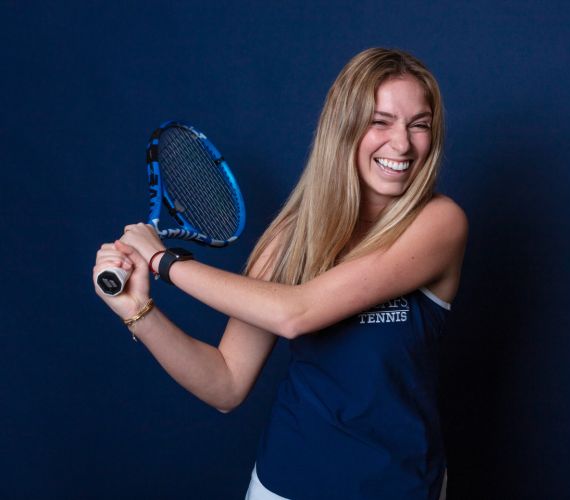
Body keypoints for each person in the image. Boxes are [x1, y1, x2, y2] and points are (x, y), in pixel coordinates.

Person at [93, 47, 467, 500]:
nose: (402, 144)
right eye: (380, 121)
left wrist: (163, 262)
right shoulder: (292, 236)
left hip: (403, 487)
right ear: (343, 127)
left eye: (419, 124)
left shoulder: (438, 223)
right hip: (286, 486)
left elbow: (296, 313)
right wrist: (140, 311)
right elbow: (226, 384)